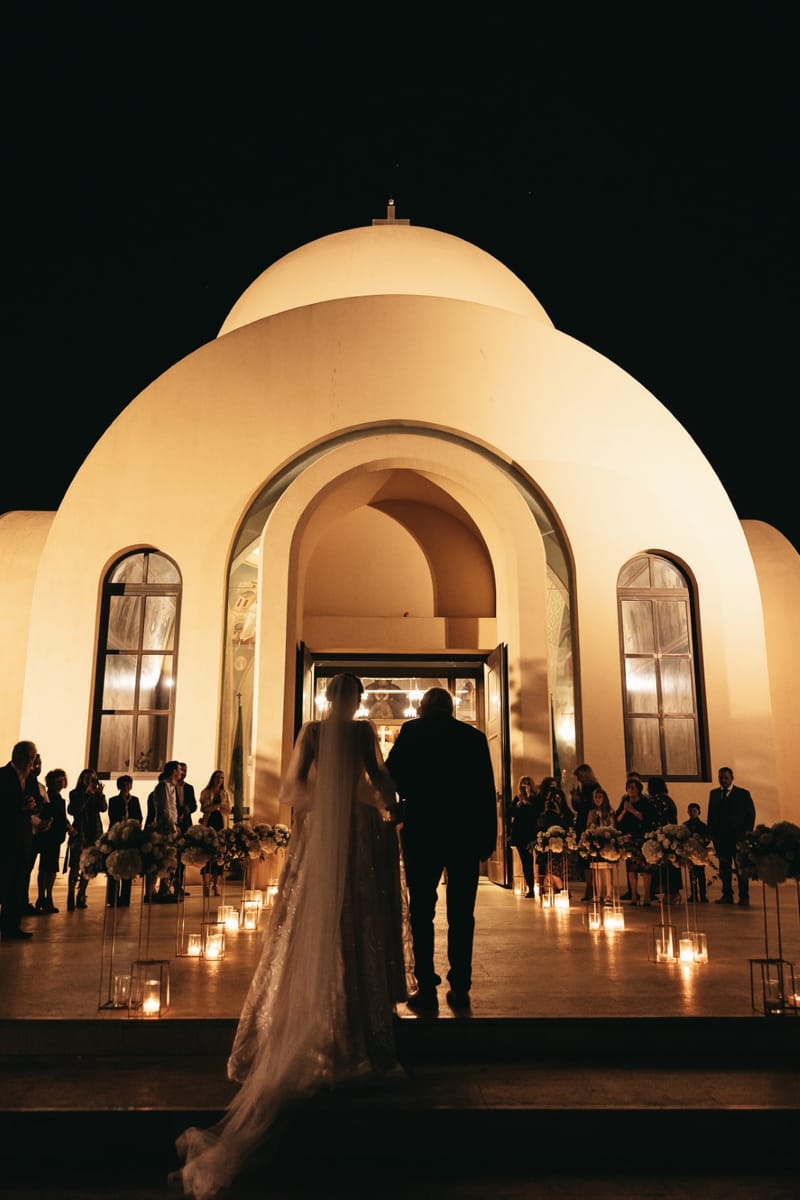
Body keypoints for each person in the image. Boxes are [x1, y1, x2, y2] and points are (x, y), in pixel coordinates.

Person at [173, 672, 407, 1199]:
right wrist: (374, 802)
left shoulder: (335, 733)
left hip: (344, 838)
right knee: (337, 920)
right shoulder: (336, 733)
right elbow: (353, 783)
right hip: (338, 837)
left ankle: (334, 1014)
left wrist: (359, 799)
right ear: (348, 700)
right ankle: (341, 1022)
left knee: (340, 920)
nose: (348, 702)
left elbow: (302, 787)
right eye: (350, 696)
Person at [385, 686, 497, 1013]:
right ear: (451, 708)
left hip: (424, 832)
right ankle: (460, 984)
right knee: (463, 913)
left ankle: (426, 984)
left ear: (422, 707)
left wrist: (404, 804)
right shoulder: (473, 738)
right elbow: (484, 792)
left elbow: (392, 776)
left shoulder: (412, 731)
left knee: (422, 911)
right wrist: (487, 838)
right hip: (464, 834)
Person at [0, 740, 40, 940]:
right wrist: (19, 808)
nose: (33, 761)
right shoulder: (2, 776)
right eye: (30, 757)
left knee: (17, 884)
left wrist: (35, 810)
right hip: (5, 838)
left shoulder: (31, 778)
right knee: (4, 883)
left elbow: (36, 802)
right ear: (19, 756)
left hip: (23, 838)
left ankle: (11, 927)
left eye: (34, 757)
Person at [707, 766, 756, 906]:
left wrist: (746, 834)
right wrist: (712, 834)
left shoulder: (743, 794)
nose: (723, 780)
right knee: (724, 868)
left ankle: (744, 896)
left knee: (741, 868)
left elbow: (750, 815)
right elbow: (711, 815)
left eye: (726, 778)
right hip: (721, 838)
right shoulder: (714, 794)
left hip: (738, 837)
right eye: (720, 778)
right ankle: (727, 894)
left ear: (732, 778)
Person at [66, 768, 107, 911]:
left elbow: (103, 809)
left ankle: (82, 894)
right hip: (80, 833)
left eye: (93, 778)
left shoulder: (96, 794)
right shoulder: (75, 794)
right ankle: (70, 894)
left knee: (89, 865)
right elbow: (73, 810)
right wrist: (86, 795)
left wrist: (100, 795)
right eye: (87, 778)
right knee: (75, 864)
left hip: (93, 832)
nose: (90, 781)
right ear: (82, 779)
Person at [34, 768, 70, 913]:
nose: (61, 783)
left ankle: (46, 896)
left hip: (55, 837)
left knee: (50, 868)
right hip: (48, 836)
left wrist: (68, 827)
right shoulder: (48, 797)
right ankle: (44, 897)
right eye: (58, 781)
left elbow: (62, 817)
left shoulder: (60, 799)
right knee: (46, 868)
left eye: (62, 780)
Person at [105, 775, 143, 907]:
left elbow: (139, 817)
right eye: (124, 784)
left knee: (128, 865)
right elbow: (112, 817)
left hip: (130, 836)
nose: (126, 786)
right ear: (119, 786)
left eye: (128, 784)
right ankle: (112, 898)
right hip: (116, 835)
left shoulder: (135, 800)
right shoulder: (113, 800)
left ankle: (125, 898)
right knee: (114, 864)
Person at [145, 761, 181, 901]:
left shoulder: (172, 787)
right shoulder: (163, 786)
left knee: (168, 859)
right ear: (173, 771)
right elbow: (165, 808)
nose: (181, 773)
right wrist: (172, 826)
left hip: (170, 827)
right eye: (179, 770)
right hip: (164, 828)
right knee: (158, 858)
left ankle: (164, 889)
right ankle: (150, 892)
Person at [615, 777, 653, 904]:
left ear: (638, 790)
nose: (631, 790)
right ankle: (634, 895)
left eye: (633, 787)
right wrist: (625, 810)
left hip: (642, 838)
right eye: (629, 787)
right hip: (629, 838)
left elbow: (645, 818)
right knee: (631, 869)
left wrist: (632, 810)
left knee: (645, 868)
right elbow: (618, 820)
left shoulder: (644, 802)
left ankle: (647, 895)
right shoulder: (624, 802)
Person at [534, 776, 574, 893]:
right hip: (547, 843)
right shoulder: (545, 810)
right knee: (545, 865)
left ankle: (562, 889)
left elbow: (569, 823)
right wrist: (547, 811)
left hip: (561, 845)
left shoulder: (565, 812)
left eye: (558, 797)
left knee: (559, 868)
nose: (556, 800)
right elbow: (540, 824)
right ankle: (545, 889)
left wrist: (559, 813)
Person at [646, 776, 681, 903]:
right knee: (670, 864)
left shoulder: (652, 801)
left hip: (658, 836)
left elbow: (649, 818)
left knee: (660, 865)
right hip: (670, 836)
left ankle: (667, 893)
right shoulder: (669, 800)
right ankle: (673, 892)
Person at [199, 770, 231, 896]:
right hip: (209, 823)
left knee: (220, 855)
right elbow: (205, 808)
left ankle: (215, 884)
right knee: (207, 855)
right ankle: (206, 884)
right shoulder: (206, 792)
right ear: (213, 779)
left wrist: (218, 807)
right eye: (218, 777)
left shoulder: (224, 793)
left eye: (222, 778)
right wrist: (218, 806)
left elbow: (227, 810)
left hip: (220, 824)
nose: (220, 780)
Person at [572, 763, 601, 900]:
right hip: (581, 822)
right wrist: (575, 800)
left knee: (590, 857)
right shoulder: (583, 788)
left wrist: (580, 801)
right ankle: (589, 885)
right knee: (584, 857)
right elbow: (578, 808)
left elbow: (592, 805)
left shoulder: (594, 789)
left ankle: (593, 887)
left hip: (589, 822)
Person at [582, 786, 617, 900]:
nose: (597, 800)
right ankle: (598, 894)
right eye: (595, 797)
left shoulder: (609, 811)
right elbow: (588, 826)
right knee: (597, 869)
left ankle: (609, 894)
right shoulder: (592, 812)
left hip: (606, 842)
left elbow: (612, 826)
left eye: (599, 797)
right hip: (596, 841)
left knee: (607, 869)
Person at [509, 776, 540, 897]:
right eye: (523, 784)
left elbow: (534, 813)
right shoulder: (517, 799)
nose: (525, 786)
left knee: (537, 860)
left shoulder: (535, 799)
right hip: (521, 834)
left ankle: (541, 885)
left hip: (532, 833)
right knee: (526, 862)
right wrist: (520, 804)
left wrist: (529, 801)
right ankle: (530, 887)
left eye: (528, 784)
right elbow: (511, 812)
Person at [175, 762, 198, 897]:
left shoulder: (189, 788)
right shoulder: (171, 786)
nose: (183, 772)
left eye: (185, 770)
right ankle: (166, 885)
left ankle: (179, 886)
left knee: (182, 857)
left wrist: (188, 809)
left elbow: (194, 805)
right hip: (174, 823)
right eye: (181, 770)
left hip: (185, 825)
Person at [683, 802, 711, 903]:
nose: (692, 813)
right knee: (692, 874)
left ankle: (703, 895)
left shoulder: (703, 826)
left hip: (700, 853)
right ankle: (693, 894)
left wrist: (701, 843)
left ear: (699, 812)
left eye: (694, 811)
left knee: (701, 875)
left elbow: (707, 838)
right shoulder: (685, 825)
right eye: (690, 811)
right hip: (690, 853)